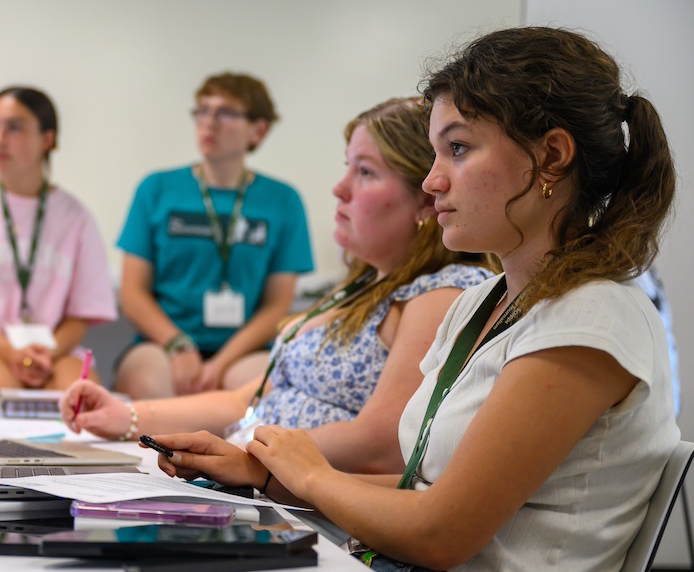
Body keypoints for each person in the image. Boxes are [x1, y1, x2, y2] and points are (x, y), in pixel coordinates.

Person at [152, 28, 680, 572]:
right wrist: (265, 475)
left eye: (458, 149)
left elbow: (440, 532)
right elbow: (423, 496)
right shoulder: (482, 303)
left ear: (550, 157)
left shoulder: (595, 315)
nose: (433, 181)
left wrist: (310, 476)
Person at [63, 98, 493, 474]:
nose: (339, 189)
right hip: (256, 472)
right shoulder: (361, 288)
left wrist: (242, 457)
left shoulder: (441, 293)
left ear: (423, 197)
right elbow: (244, 403)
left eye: (364, 172)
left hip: (293, 496)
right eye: (347, 167)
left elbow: (379, 446)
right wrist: (127, 416)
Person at [115, 72, 314, 400]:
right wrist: (178, 346)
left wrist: (221, 362)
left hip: (242, 351)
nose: (209, 122)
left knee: (267, 395)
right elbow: (132, 294)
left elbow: (277, 305)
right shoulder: (157, 188)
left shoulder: (283, 200)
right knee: (153, 390)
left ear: (258, 129)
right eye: (203, 110)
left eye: (226, 113)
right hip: (164, 345)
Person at [0, 86, 116, 391]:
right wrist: (11, 352)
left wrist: (45, 353)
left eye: (14, 127)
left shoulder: (76, 218)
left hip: (53, 352)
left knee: (82, 392)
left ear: (47, 139)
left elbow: (80, 315)